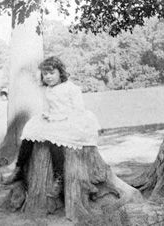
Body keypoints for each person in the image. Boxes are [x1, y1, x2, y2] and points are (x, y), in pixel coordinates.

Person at [5, 56, 100, 184]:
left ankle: (59, 177)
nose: (48, 77)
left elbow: (79, 109)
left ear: (60, 72)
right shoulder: (48, 89)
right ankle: (19, 168)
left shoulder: (70, 88)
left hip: (71, 120)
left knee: (55, 140)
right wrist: (47, 115)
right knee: (29, 133)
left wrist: (62, 117)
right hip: (54, 119)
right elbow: (51, 107)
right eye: (45, 74)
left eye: (51, 73)